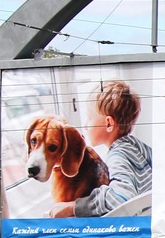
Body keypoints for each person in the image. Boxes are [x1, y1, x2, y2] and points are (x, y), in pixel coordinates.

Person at [50, 80, 151, 218]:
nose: (85, 125)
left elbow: (121, 198)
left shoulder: (118, 156)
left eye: (89, 118)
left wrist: (74, 207)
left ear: (109, 123)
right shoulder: (134, 144)